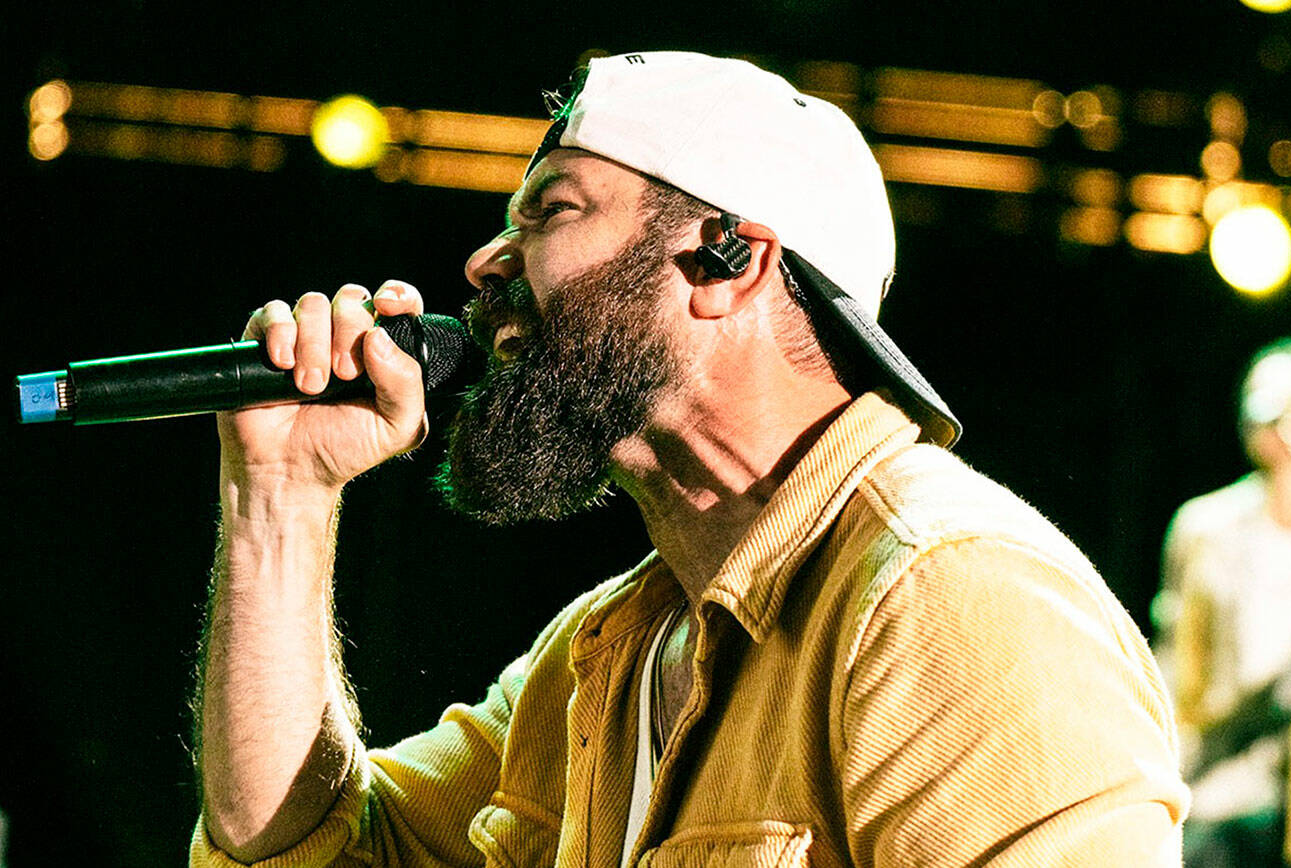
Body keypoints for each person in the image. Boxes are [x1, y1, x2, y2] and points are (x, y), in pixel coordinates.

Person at [191, 52, 1188, 867]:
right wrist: (279, 497)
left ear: (728, 261)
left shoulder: (951, 601)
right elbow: (312, 851)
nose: (485, 261)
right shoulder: (597, 662)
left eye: (552, 210)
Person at [1157, 338, 1291, 868]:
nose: (1284, 435)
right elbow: (1176, 662)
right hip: (1221, 790)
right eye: (1271, 418)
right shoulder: (1206, 529)